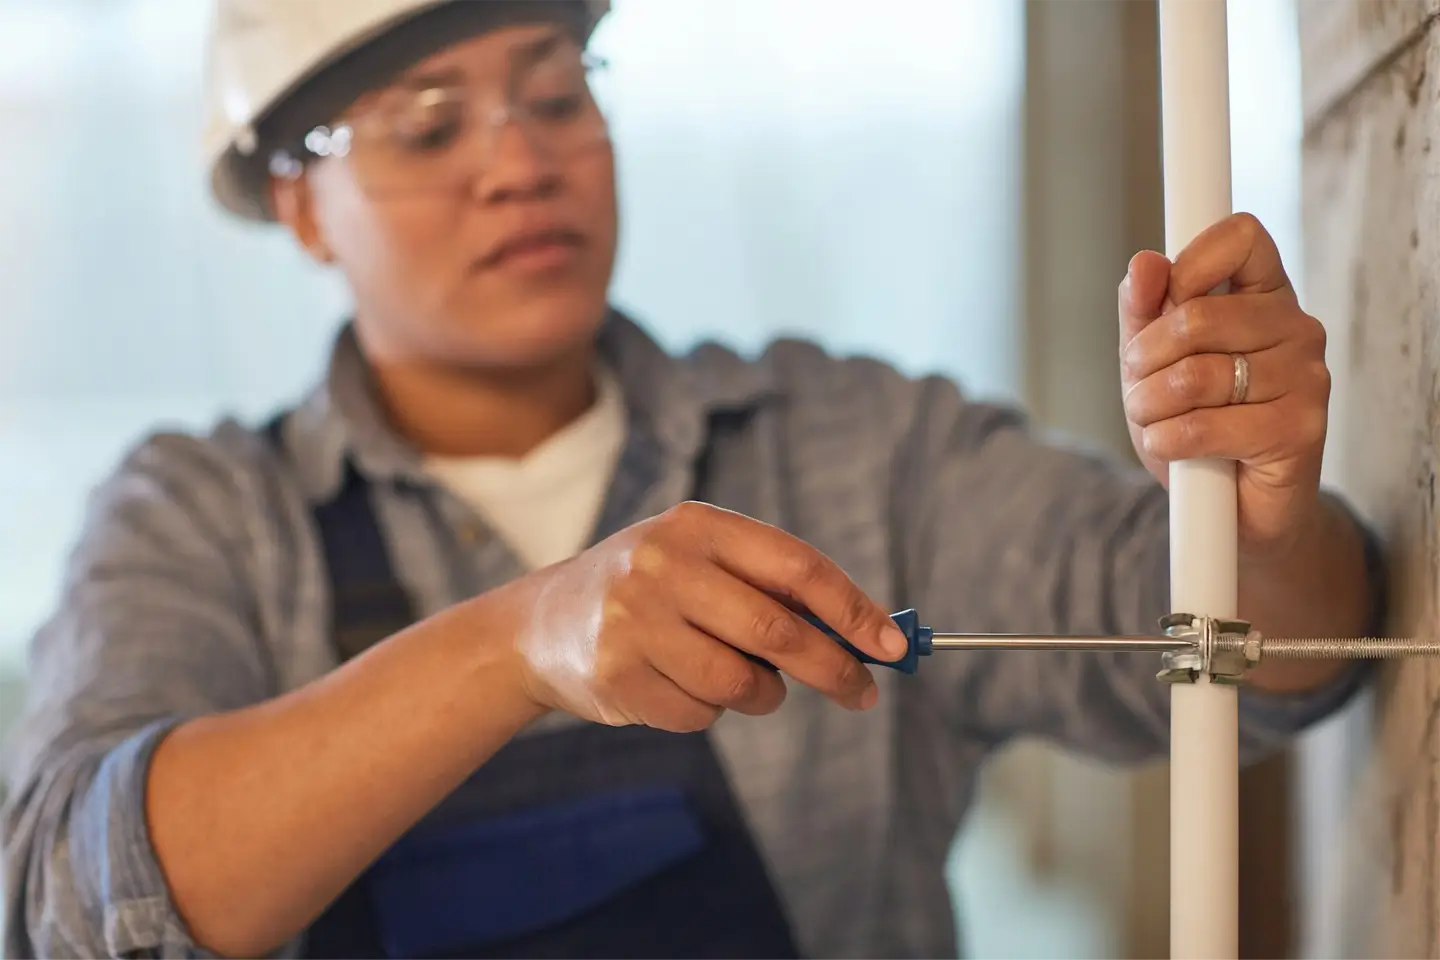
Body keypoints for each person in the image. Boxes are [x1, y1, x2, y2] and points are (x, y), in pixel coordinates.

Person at [0, 0, 1383, 958]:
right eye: (429, 127)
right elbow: (75, 900)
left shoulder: (852, 445)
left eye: (555, 95)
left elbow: (1244, 651)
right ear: (301, 207)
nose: (521, 162)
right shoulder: (203, 520)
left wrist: (1255, 509)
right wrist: (515, 642)